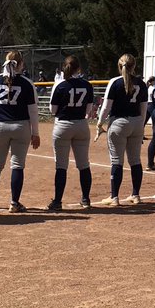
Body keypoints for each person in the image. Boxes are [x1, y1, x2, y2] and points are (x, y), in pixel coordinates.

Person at [0, 51, 40, 213]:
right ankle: (14, 203)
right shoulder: (26, 83)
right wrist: (35, 133)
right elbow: (33, 111)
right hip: (20, 127)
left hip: (0, 125)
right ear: (21, 64)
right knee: (17, 166)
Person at [94, 55, 148, 206]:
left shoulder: (115, 82)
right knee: (135, 160)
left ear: (119, 66)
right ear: (134, 66)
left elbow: (106, 107)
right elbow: (143, 109)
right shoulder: (141, 84)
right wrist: (141, 127)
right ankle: (135, 195)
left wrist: (99, 124)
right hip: (137, 122)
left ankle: (114, 197)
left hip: (119, 122)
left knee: (117, 160)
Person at [46, 55, 94, 211]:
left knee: (61, 166)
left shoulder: (60, 86)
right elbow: (88, 110)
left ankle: (58, 201)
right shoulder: (87, 85)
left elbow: (52, 111)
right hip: (81, 124)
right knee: (84, 165)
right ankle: (86, 199)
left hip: (63, 125)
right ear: (78, 68)